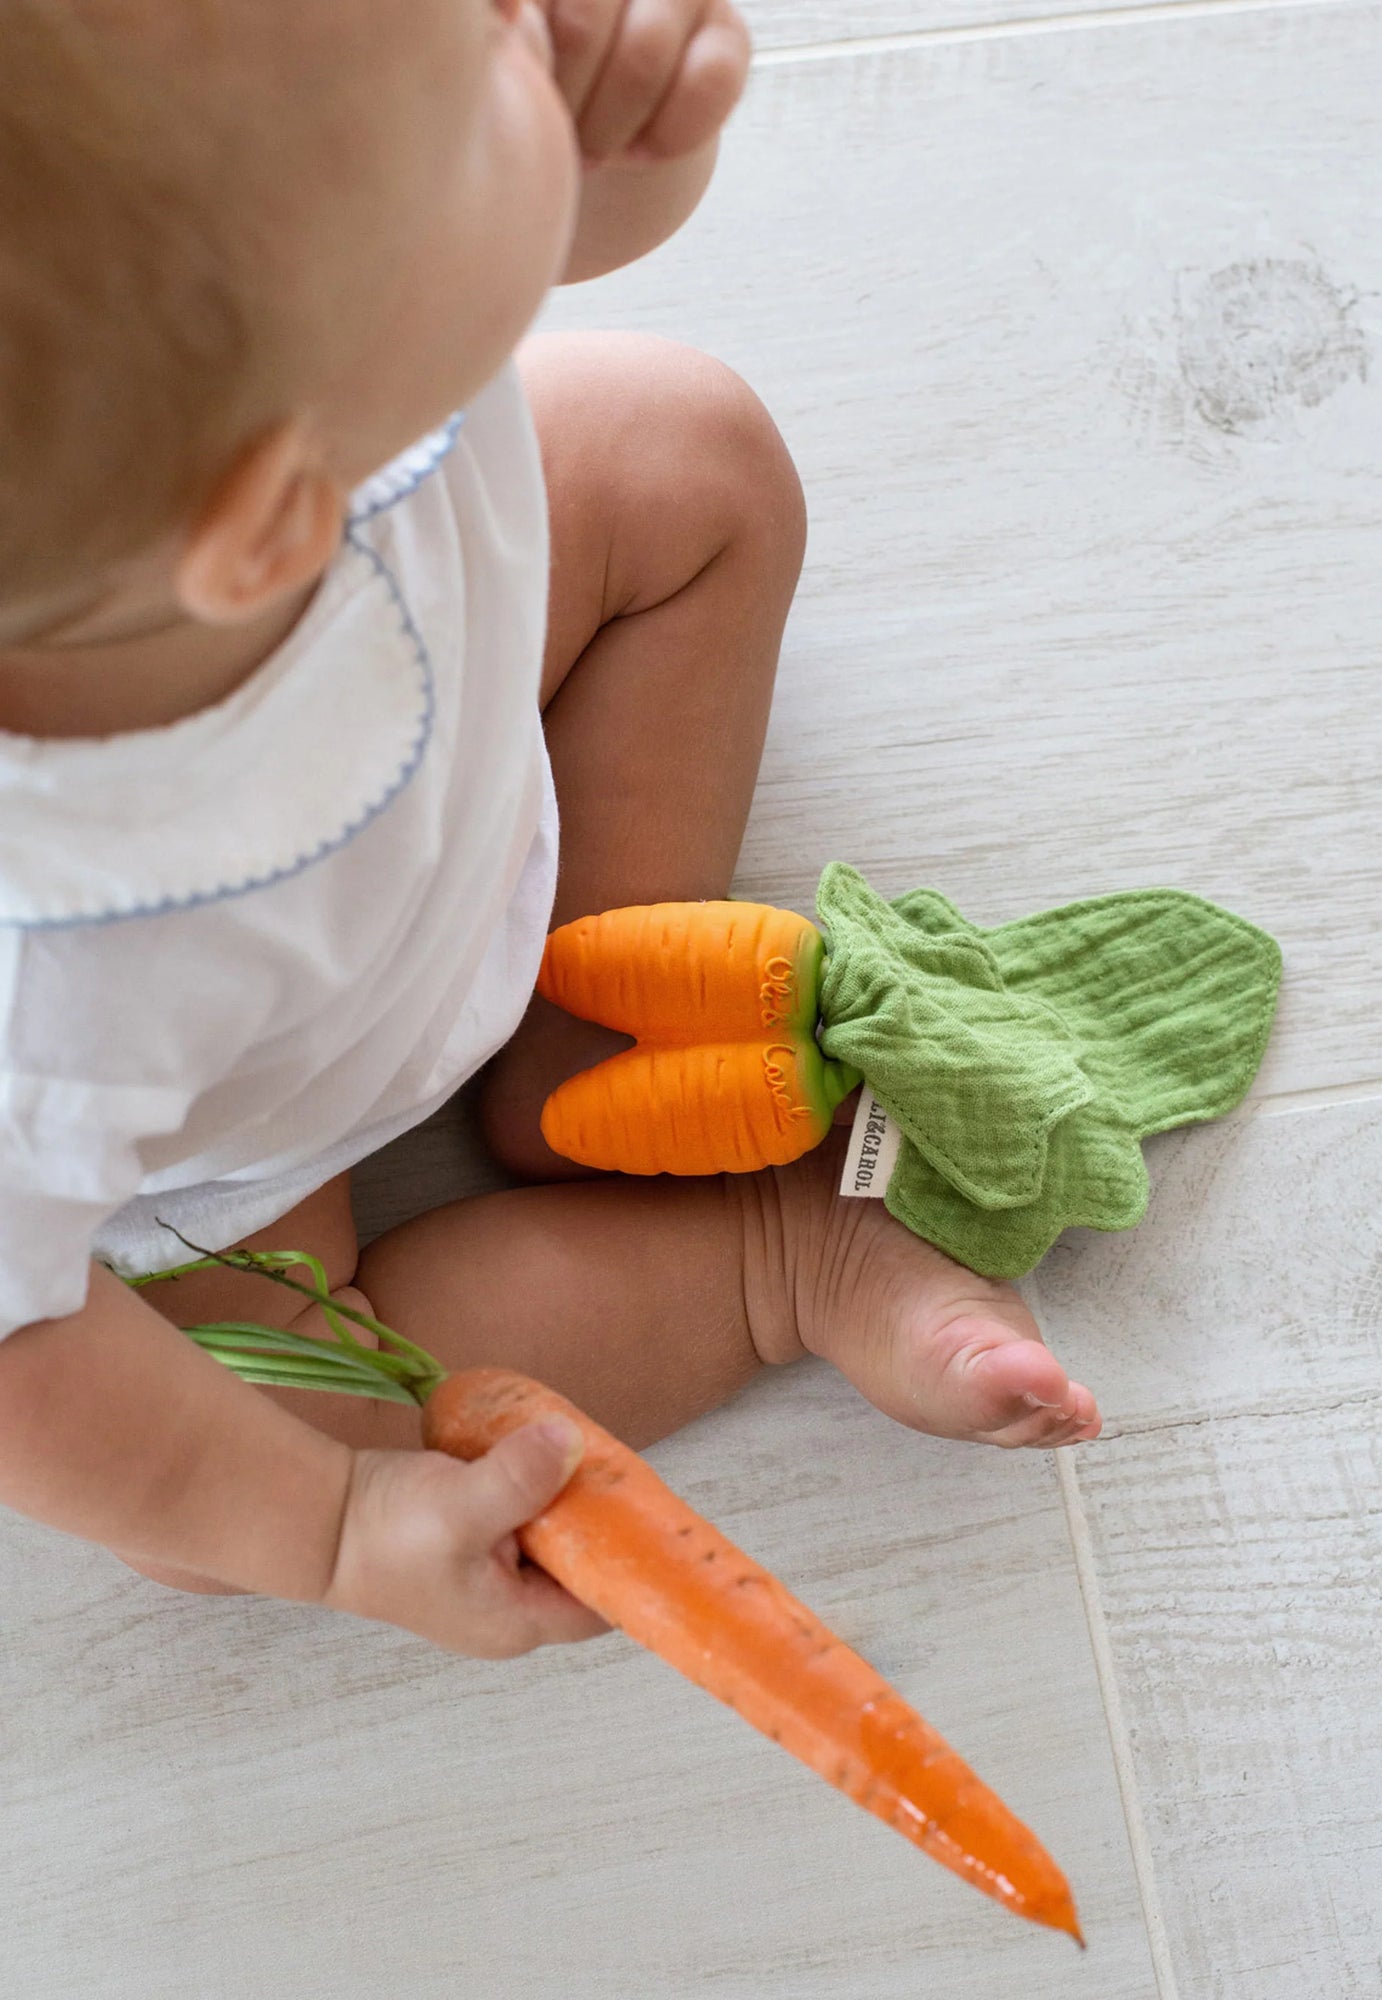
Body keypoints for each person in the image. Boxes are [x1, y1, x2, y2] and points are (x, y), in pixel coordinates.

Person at [0, 0, 1100, 1665]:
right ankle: (774, 1257)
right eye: (472, 75)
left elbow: (550, 230)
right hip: (232, 1155)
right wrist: (337, 1531)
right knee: (244, 1479)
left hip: (472, 757)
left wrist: (630, 135)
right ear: (282, 513)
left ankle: (602, 1041)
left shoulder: (294, 361)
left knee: (691, 453)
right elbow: (25, 1355)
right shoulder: (43, 1003)